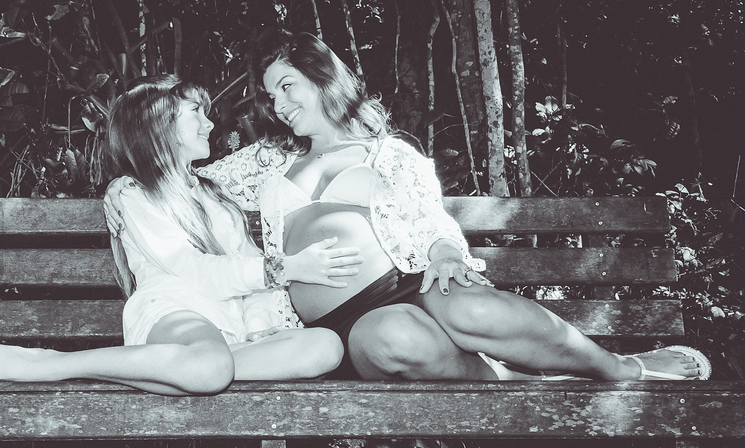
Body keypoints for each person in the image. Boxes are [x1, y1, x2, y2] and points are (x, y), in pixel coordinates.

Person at [198, 30, 711, 382]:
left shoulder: (389, 154)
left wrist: (445, 252)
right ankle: (516, 377)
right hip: (336, 330)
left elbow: (430, 216)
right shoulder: (267, 160)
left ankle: (619, 367)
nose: (279, 105)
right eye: (271, 95)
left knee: (471, 307)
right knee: (394, 339)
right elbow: (184, 180)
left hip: (405, 282)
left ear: (322, 77)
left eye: (287, 86)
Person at [0, 75, 356, 396]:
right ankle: (55, 364)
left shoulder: (216, 193)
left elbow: (247, 262)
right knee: (211, 365)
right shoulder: (135, 195)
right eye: (195, 112)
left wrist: (260, 324)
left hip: (228, 332)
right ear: (158, 124)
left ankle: (180, 371)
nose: (210, 124)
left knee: (325, 347)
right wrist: (283, 268)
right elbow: (193, 272)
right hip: (175, 309)